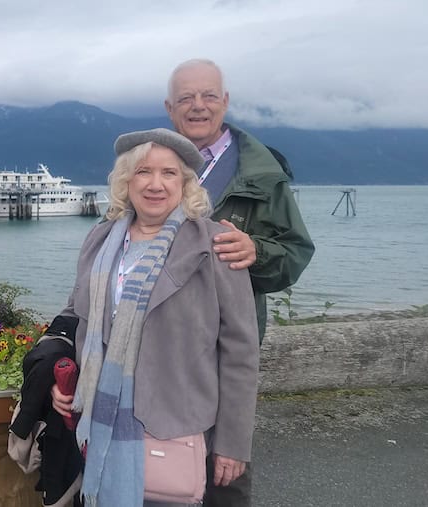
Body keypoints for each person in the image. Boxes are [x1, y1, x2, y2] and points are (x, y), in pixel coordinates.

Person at [49, 128, 260, 506]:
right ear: (126, 180)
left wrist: (233, 440)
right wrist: (66, 383)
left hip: (180, 423)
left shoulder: (215, 245)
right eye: (144, 171)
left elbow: (240, 351)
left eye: (169, 173)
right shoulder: (99, 240)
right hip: (99, 422)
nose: (155, 184)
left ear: (186, 184)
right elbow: (77, 318)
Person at [164, 58, 315, 506]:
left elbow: (295, 254)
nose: (198, 107)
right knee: (156, 463)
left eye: (209, 96)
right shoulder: (152, 164)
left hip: (221, 348)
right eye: (187, 98)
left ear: (225, 102)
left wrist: (258, 253)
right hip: (155, 346)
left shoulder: (262, 175)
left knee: (222, 468)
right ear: (169, 107)